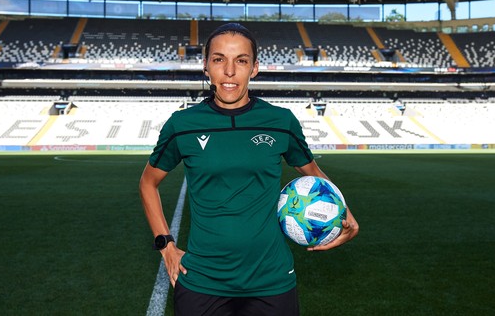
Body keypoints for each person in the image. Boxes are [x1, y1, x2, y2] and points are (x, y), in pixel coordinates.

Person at [139, 23, 359, 315]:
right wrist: (165, 245)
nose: (229, 71)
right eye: (219, 59)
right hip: (202, 281)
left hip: (272, 281)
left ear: (254, 68)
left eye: (241, 60)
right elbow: (147, 183)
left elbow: (314, 175)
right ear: (206, 67)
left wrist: (343, 211)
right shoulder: (182, 125)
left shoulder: (281, 121)